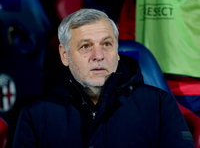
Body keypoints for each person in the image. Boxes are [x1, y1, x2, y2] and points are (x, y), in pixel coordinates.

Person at [13, 9, 195, 148]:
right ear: (64, 55)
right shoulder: (34, 115)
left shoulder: (159, 104)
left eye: (106, 44)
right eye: (86, 46)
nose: (98, 55)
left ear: (117, 52)